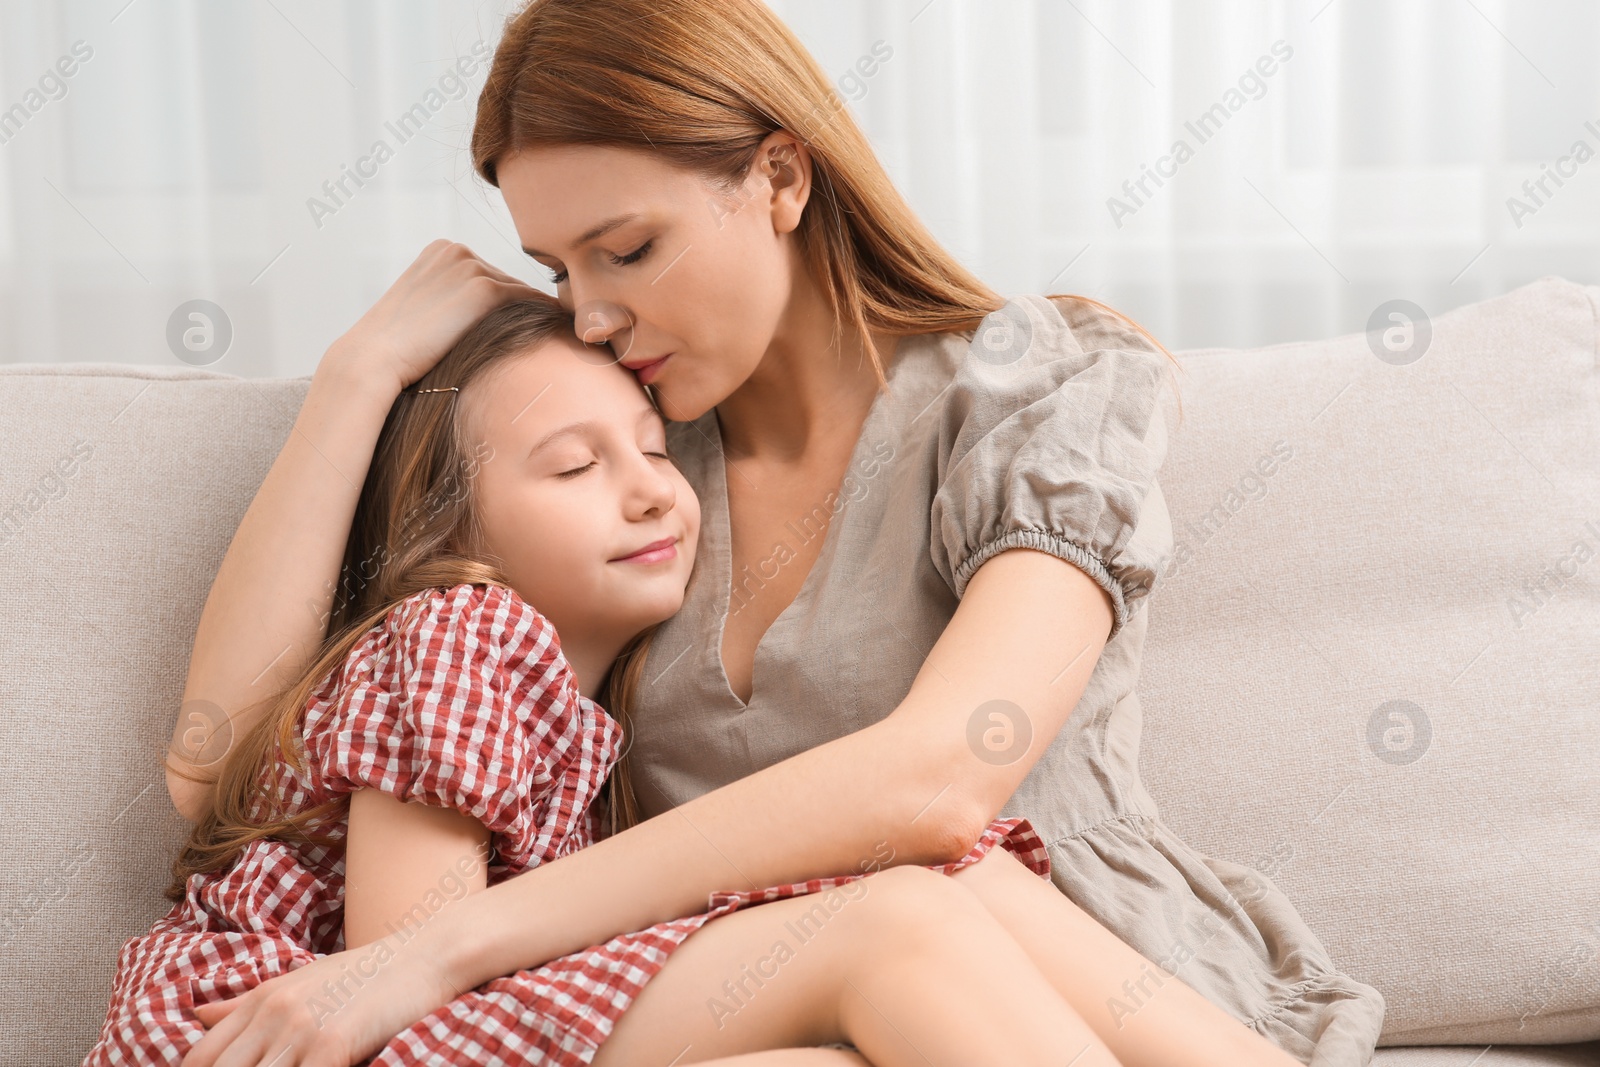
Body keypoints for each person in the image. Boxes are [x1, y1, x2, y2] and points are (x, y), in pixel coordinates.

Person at [167, 1, 1386, 1064]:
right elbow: (223, 759)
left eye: (628, 248)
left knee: (917, 915)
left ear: (781, 179)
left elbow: (939, 780)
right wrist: (358, 375)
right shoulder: (629, 462)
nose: (592, 314)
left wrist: (440, 951)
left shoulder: (1027, 392)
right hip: (786, 1001)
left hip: (1086, 979)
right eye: (558, 270)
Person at [87, 296, 1139, 1066]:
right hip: (267, 1035)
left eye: (651, 449)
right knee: (896, 926)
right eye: (575, 467)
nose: (646, 492)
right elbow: (399, 978)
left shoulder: (587, 719)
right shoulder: (463, 631)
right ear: (450, 527)